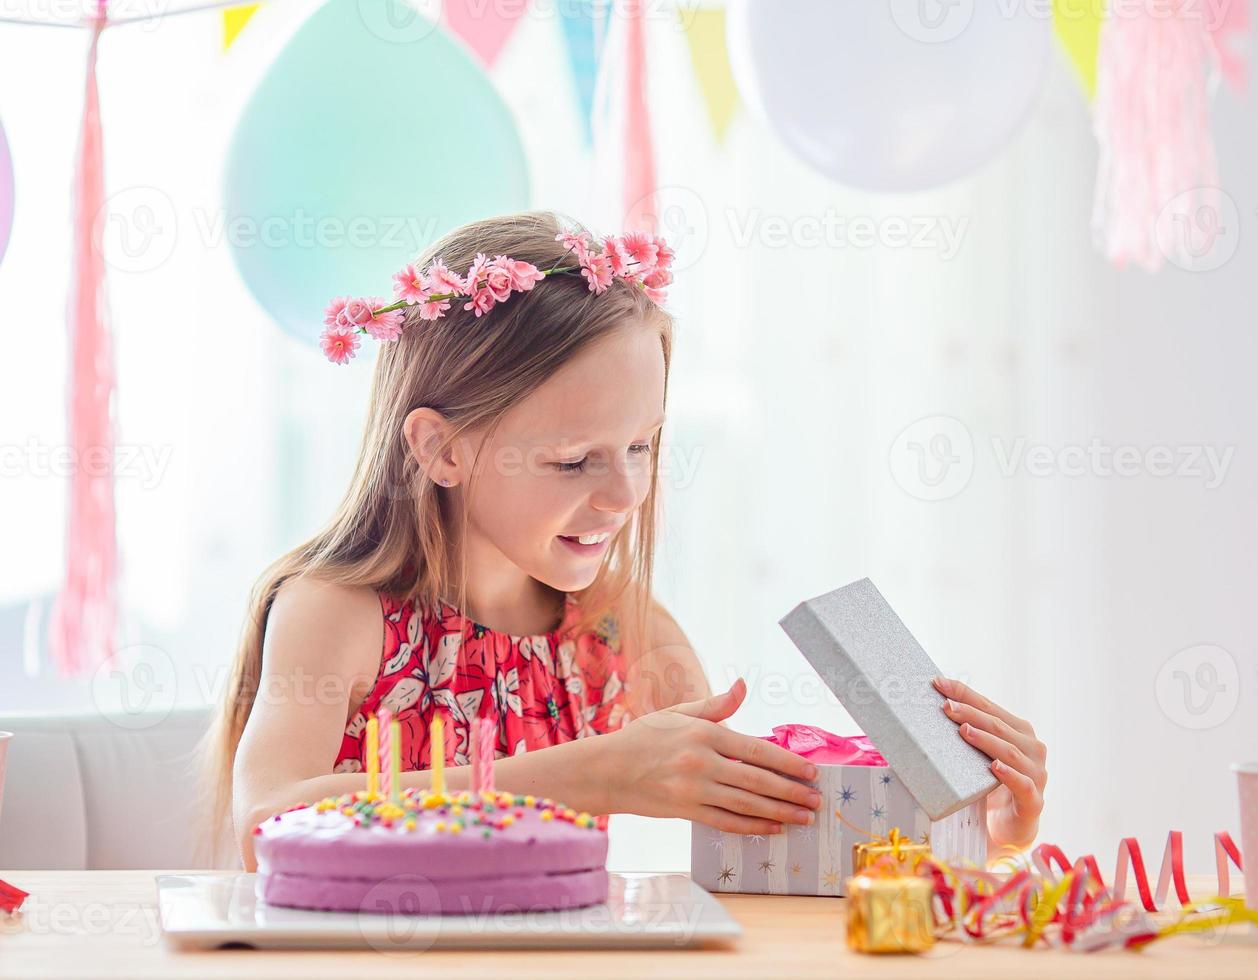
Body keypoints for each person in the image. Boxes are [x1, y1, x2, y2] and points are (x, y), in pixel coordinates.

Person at [201, 211, 1046, 872]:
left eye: (642, 446)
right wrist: (587, 773)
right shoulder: (339, 615)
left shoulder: (619, 632)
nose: (625, 493)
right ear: (441, 449)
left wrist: (975, 832)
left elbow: (773, 828)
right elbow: (266, 824)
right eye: (574, 460)